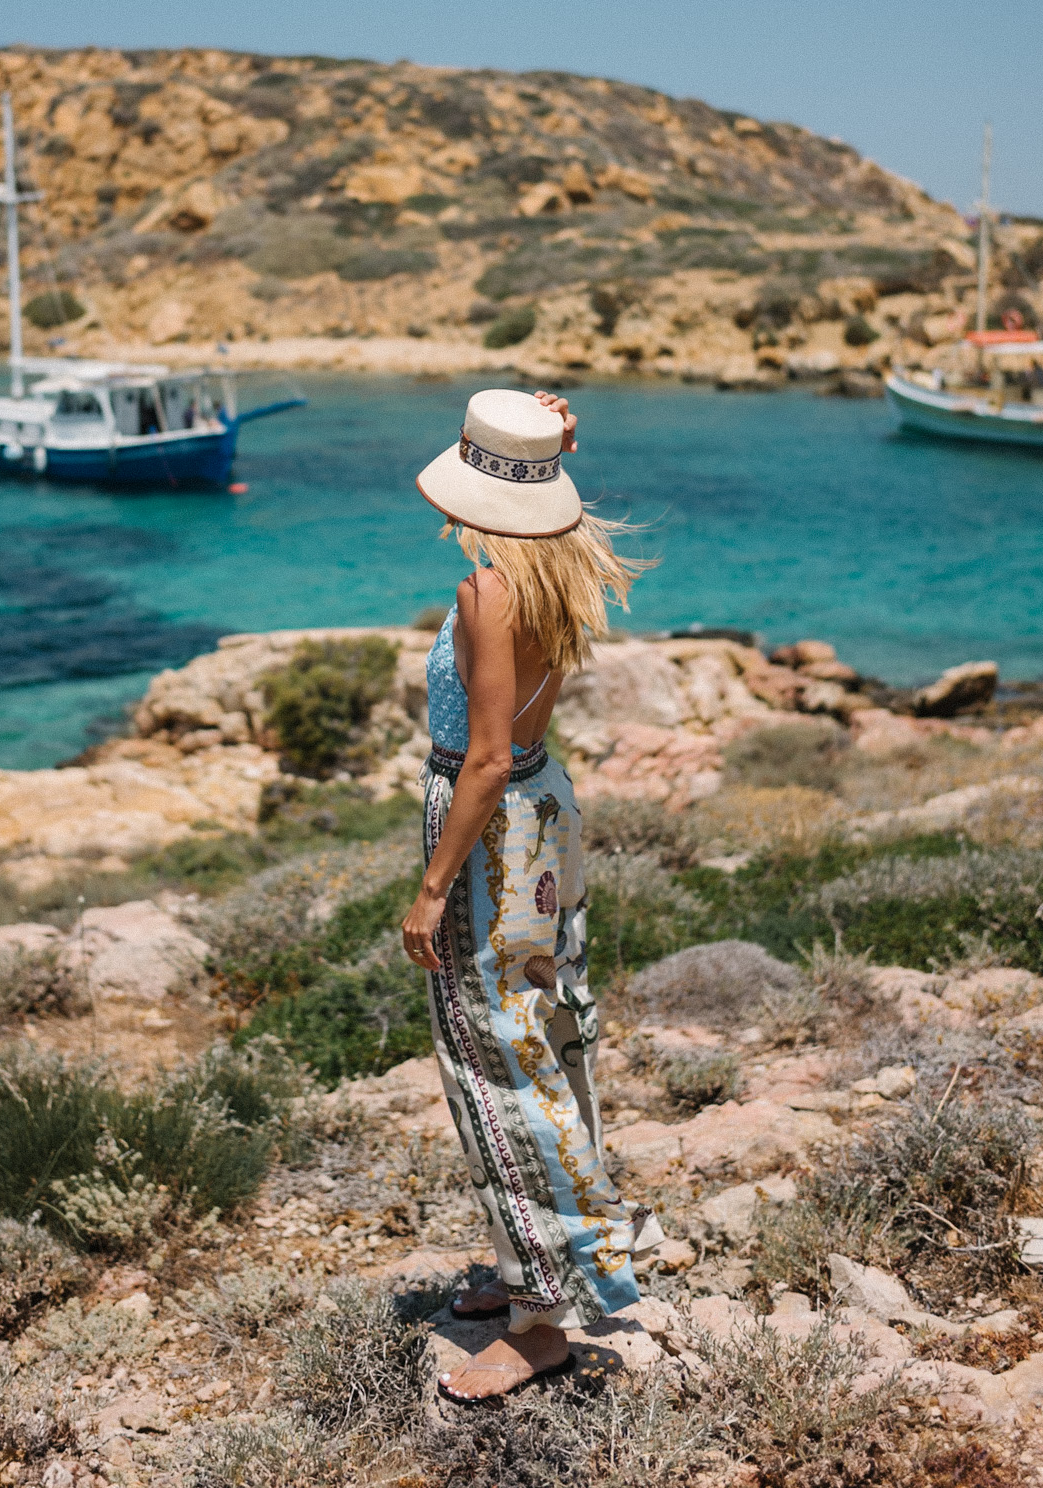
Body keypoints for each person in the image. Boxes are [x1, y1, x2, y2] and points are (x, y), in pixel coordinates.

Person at [401, 386, 662, 1405]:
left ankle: (539, 1320)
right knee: (542, 1036)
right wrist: (552, 448)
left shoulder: (486, 592)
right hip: (544, 815)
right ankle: (546, 1268)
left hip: (492, 828)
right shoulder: (559, 568)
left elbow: (480, 760)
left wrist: (430, 889)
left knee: (489, 1058)